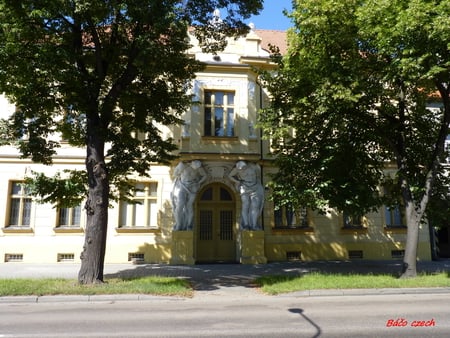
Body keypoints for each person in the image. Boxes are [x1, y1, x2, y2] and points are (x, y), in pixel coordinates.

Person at [171, 160, 208, 231]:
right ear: (192, 164)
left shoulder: (198, 168)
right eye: (195, 167)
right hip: (183, 187)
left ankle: (189, 225)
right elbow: (175, 174)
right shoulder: (183, 166)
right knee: (180, 205)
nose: (196, 169)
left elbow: (205, 176)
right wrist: (178, 174)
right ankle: (179, 224)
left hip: (192, 188)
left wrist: (198, 182)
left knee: (189, 205)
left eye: (197, 168)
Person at [228, 161, 264, 230]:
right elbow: (230, 176)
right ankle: (246, 224)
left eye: (243, 169)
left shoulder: (253, 166)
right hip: (244, 186)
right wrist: (237, 182)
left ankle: (254, 225)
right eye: (240, 170)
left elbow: (259, 175)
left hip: (255, 186)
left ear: (246, 166)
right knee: (246, 204)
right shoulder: (237, 169)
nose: (241, 170)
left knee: (255, 206)